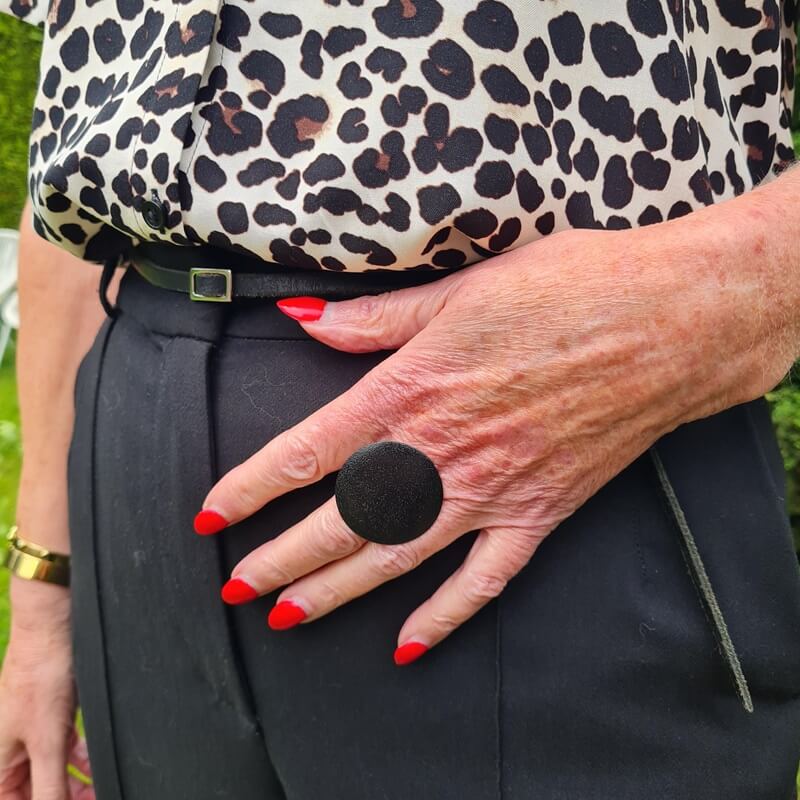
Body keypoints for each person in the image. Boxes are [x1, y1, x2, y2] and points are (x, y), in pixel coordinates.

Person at [1, 1, 799, 798]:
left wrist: (739, 291)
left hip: (568, 444)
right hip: (132, 439)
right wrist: (45, 576)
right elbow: (87, 124)